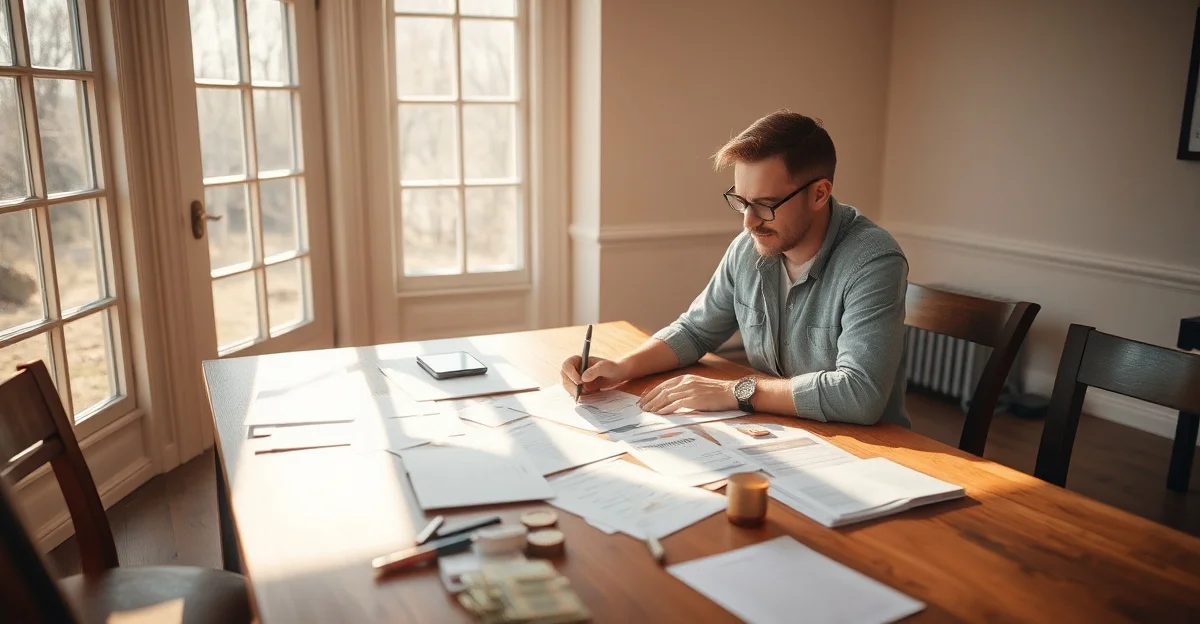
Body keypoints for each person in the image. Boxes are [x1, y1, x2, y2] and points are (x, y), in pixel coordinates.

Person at [560, 110, 910, 427]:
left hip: (870, 451)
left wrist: (736, 391)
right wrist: (620, 368)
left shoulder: (872, 261)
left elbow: (860, 394)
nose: (748, 222)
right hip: (780, 433)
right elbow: (696, 331)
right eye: (741, 201)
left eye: (766, 205)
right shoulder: (751, 247)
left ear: (819, 193)